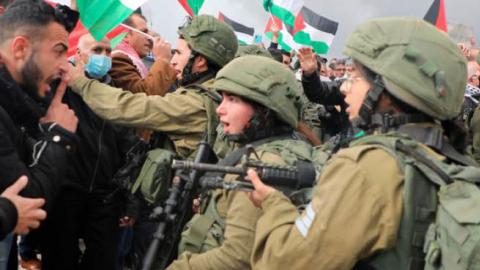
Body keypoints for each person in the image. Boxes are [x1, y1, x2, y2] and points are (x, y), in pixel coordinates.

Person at [247, 17, 474, 269]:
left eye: (355, 76)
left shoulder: (367, 166)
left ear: (386, 91)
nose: (344, 87)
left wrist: (273, 203)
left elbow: (284, 262)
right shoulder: (444, 157)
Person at [66, 14, 238, 268]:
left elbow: (132, 107)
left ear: (200, 61)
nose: (173, 60)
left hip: (172, 213)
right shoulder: (214, 94)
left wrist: (80, 83)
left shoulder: (195, 102)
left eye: (178, 53)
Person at [167, 55, 314, 270]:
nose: (220, 109)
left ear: (264, 110)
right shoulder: (265, 148)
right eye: (223, 98)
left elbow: (237, 257)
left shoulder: (263, 163)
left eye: (232, 100)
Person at [39, 33, 140, 270]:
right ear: (79, 54)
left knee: (102, 261)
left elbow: (129, 150)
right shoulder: (60, 90)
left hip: (104, 198)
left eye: (107, 51)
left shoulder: (115, 96)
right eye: (97, 50)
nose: (104, 57)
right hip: (64, 193)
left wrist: (129, 201)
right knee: (59, 260)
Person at [0, 1, 78, 268]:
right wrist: (58, 136)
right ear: (20, 48)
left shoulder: (16, 105)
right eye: (58, 52)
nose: (64, 66)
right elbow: (27, 198)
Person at [110, 13, 176, 96]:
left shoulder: (134, 59)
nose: (149, 38)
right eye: (144, 32)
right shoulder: (118, 59)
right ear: (125, 36)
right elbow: (143, 96)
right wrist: (162, 59)